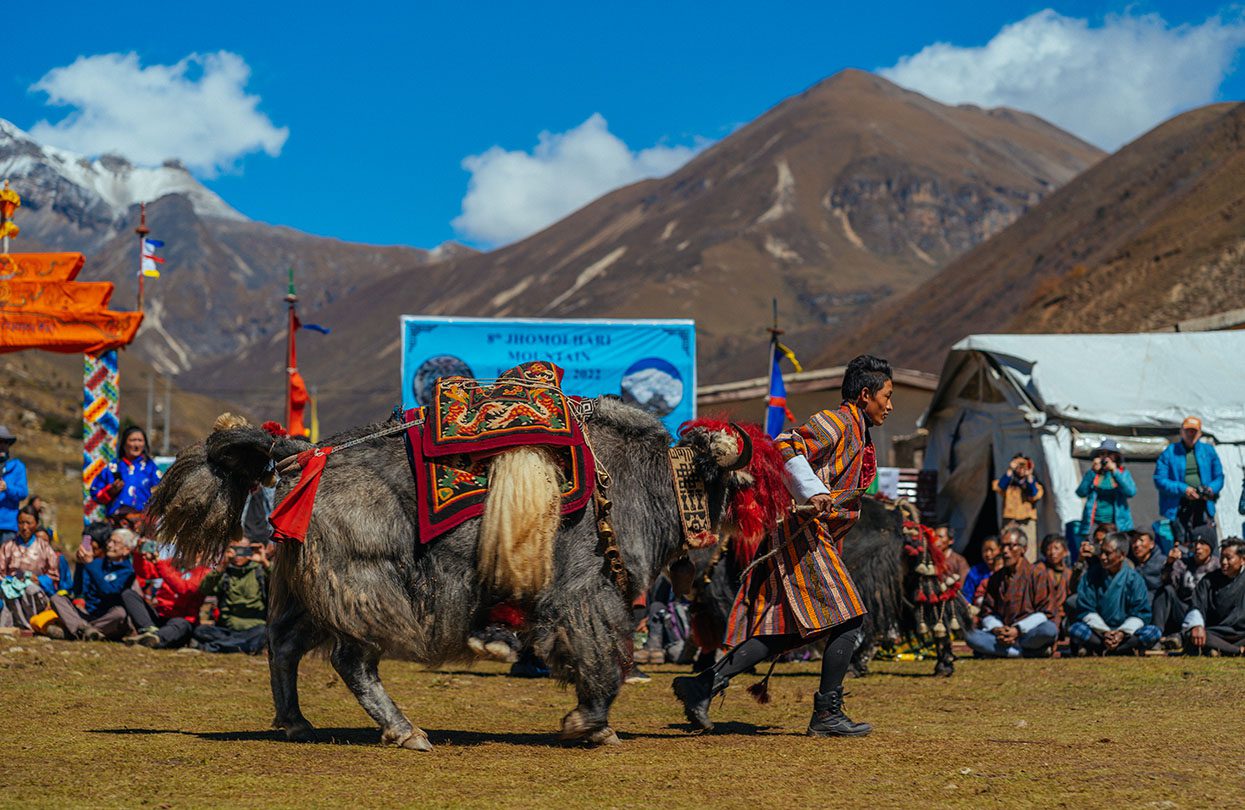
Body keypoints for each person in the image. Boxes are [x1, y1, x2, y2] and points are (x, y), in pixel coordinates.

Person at [672, 354, 894, 738]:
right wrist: (815, 491)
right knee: (850, 617)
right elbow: (786, 444)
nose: (889, 406)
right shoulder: (837, 421)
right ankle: (827, 713)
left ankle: (702, 685)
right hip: (805, 532)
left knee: (795, 631)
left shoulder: (857, 429)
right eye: (886, 397)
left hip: (816, 535)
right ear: (864, 395)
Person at [965, 528, 1058, 657]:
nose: (1005, 551)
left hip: (1029, 634)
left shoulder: (1038, 575)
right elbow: (988, 612)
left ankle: (1006, 652)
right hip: (1002, 636)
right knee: (970, 636)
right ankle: (1025, 653)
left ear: (1023, 549)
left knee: (1049, 630)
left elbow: (1046, 613)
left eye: (1011, 546)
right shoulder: (996, 578)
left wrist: (1018, 630)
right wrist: (998, 629)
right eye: (1003, 546)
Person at [1068, 532, 1161, 655]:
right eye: (1101, 552)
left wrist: (1122, 633)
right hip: (1099, 632)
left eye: (1108, 553)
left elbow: (1140, 613)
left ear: (1122, 555)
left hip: (1125, 633)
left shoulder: (1134, 579)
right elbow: (1086, 609)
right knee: (1075, 630)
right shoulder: (1091, 575)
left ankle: (1107, 649)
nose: (1102, 557)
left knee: (1153, 632)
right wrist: (1105, 632)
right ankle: (1118, 649)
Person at [49, 529, 137, 640]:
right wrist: (80, 564)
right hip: (88, 613)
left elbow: (108, 591)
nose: (109, 545)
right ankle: (86, 631)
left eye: (115, 543)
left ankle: (76, 631)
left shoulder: (127, 571)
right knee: (57, 599)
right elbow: (78, 589)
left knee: (120, 613)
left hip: (108, 617)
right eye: (109, 541)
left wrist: (90, 565)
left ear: (126, 550)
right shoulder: (98, 563)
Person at [122, 543, 210, 649]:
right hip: (160, 615)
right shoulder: (172, 563)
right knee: (128, 595)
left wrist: (159, 563)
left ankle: (154, 638)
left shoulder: (204, 572)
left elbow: (184, 589)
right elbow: (145, 572)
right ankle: (149, 630)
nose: (183, 552)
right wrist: (139, 554)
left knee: (182, 624)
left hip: (181, 620)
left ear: (199, 553)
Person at [1154, 416, 1224, 539]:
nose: (1191, 434)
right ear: (1181, 432)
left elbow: (1219, 477)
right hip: (1179, 505)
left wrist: (1210, 489)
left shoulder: (1208, 451)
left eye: (1194, 431)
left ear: (1200, 433)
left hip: (1203, 504)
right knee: (1182, 541)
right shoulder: (1170, 452)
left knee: (1205, 541)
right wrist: (1183, 489)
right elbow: (1159, 479)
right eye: (1188, 431)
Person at [193, 542, 268, 654]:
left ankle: (216, 646)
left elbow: (282, 586)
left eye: (242, 551)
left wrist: (265, 562)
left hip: (254, 628)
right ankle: (242, 647)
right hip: (226, 629)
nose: (237, 555)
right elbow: (204, 589)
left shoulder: (260, 572)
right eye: (233, 550)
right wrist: (222, 565)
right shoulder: (224, 573)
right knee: (200, 630)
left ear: (250, 551)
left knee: (265, 633)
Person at [1153, 525, 1219, 643]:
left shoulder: (1218, 566)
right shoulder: (1183, 564)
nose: (1198, 547)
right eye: (1195, 543)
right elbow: (1165, 581)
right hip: (1184, 609)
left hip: (1207, 613)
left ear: (1211, 546)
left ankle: (1182, 637)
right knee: (1165, 590)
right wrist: (1169, 563)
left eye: (1203, 543)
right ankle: (1155, 635)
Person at [1182, 538, 1245, 656]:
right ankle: (1237, 651)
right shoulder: (1209, 580)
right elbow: (1196, 606)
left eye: (1229, 558)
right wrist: (1197, 626)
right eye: (1222, 558)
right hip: (1217, 633)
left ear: (1243, 560)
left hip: (1242, 634)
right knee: (1193, 635)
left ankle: (1222, 650)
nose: (1224, 562)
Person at [0, 506, 57, 629]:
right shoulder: (7, 547)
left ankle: (32, 624)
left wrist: (39, 580)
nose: (24, 527)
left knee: (30, 589)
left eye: (28, 523)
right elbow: (1, 573)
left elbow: (54, 576)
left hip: (36, 593)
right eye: (21, 523)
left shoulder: (44, 548)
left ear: (36, 524)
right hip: (11, 593)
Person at [89, 426, 162, 519]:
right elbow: (95, 493)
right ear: (124, 443)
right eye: (132, 440)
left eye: (140, 440)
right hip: (116, 521)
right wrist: (111, 491)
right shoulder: (113, 467)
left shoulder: (151, 468)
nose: (136, 444)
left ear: (145, 444)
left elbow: (161, 493)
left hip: (143, 522)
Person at [639, 558, 697, 665]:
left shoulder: (696, 588)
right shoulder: (664, 583)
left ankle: (658, 649)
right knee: (657, 607)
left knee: (676, 653)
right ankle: (654, 648)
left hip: (684, 642)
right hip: (672, 639)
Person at [1076, 440, 1137, 540]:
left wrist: (1115, 472)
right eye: (1102, 454)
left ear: (1116, 457)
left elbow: (1131, 492)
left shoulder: (1122, 473)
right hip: (1095, 524)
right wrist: (1092, 472)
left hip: (1117, 524)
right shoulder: (1093, 474)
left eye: (1109, 454)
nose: (1106, 457)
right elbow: (1081, 492)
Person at [992, 455, 1044, 557]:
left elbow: (1033, 494)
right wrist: (1010, 469)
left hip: (1027, 521)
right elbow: (999, 487)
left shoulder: (1034, 483)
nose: (1021, 469)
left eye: (1024, 466)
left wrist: (1029, 475)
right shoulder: (1010, 485)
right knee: (1007, 547)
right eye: (1019, 466)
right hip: (1010, 519)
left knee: (1028, 549)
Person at [1033, 535, 1072, 632]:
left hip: (1063, 616)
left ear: (1065, 552)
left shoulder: (1068, 573)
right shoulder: (1038, 569)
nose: (1052, 552)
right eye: (1048, 549)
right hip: (1043, 614)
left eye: (1056, 548)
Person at [0, 426, 29, 544]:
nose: (2, 445)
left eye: (5, 442)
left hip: (8, 526)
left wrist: (7, 488)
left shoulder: (18, 467)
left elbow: (23, 492)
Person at [962, 536, 1002, 606]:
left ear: (1000, 549)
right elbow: (967, 595)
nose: (988, 554)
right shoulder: (975, 571)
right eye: (985, 550)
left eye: (991, 550)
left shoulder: (1005, 569)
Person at [1128, 529, 1165, 597]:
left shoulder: (1162, 563)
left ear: (1151, 544)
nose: (1136, 545)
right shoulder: (1128, 564)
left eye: (1141, 540)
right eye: (1134, 541)